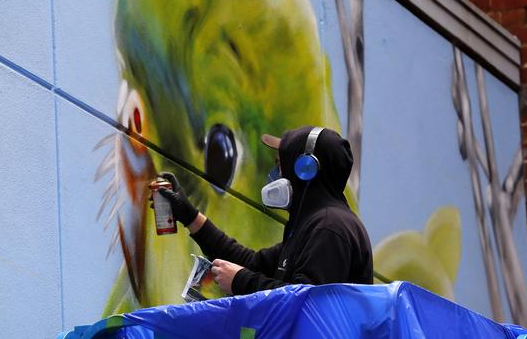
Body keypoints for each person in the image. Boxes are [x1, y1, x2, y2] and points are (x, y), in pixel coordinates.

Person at [158, 126, 373, 296]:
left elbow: (307, 302)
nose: (275, 174)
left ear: (305, 171)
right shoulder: (311, 226)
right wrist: (189, 215)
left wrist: (241, 281)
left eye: (280, 165)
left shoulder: (330, 228)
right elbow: (251, 263)